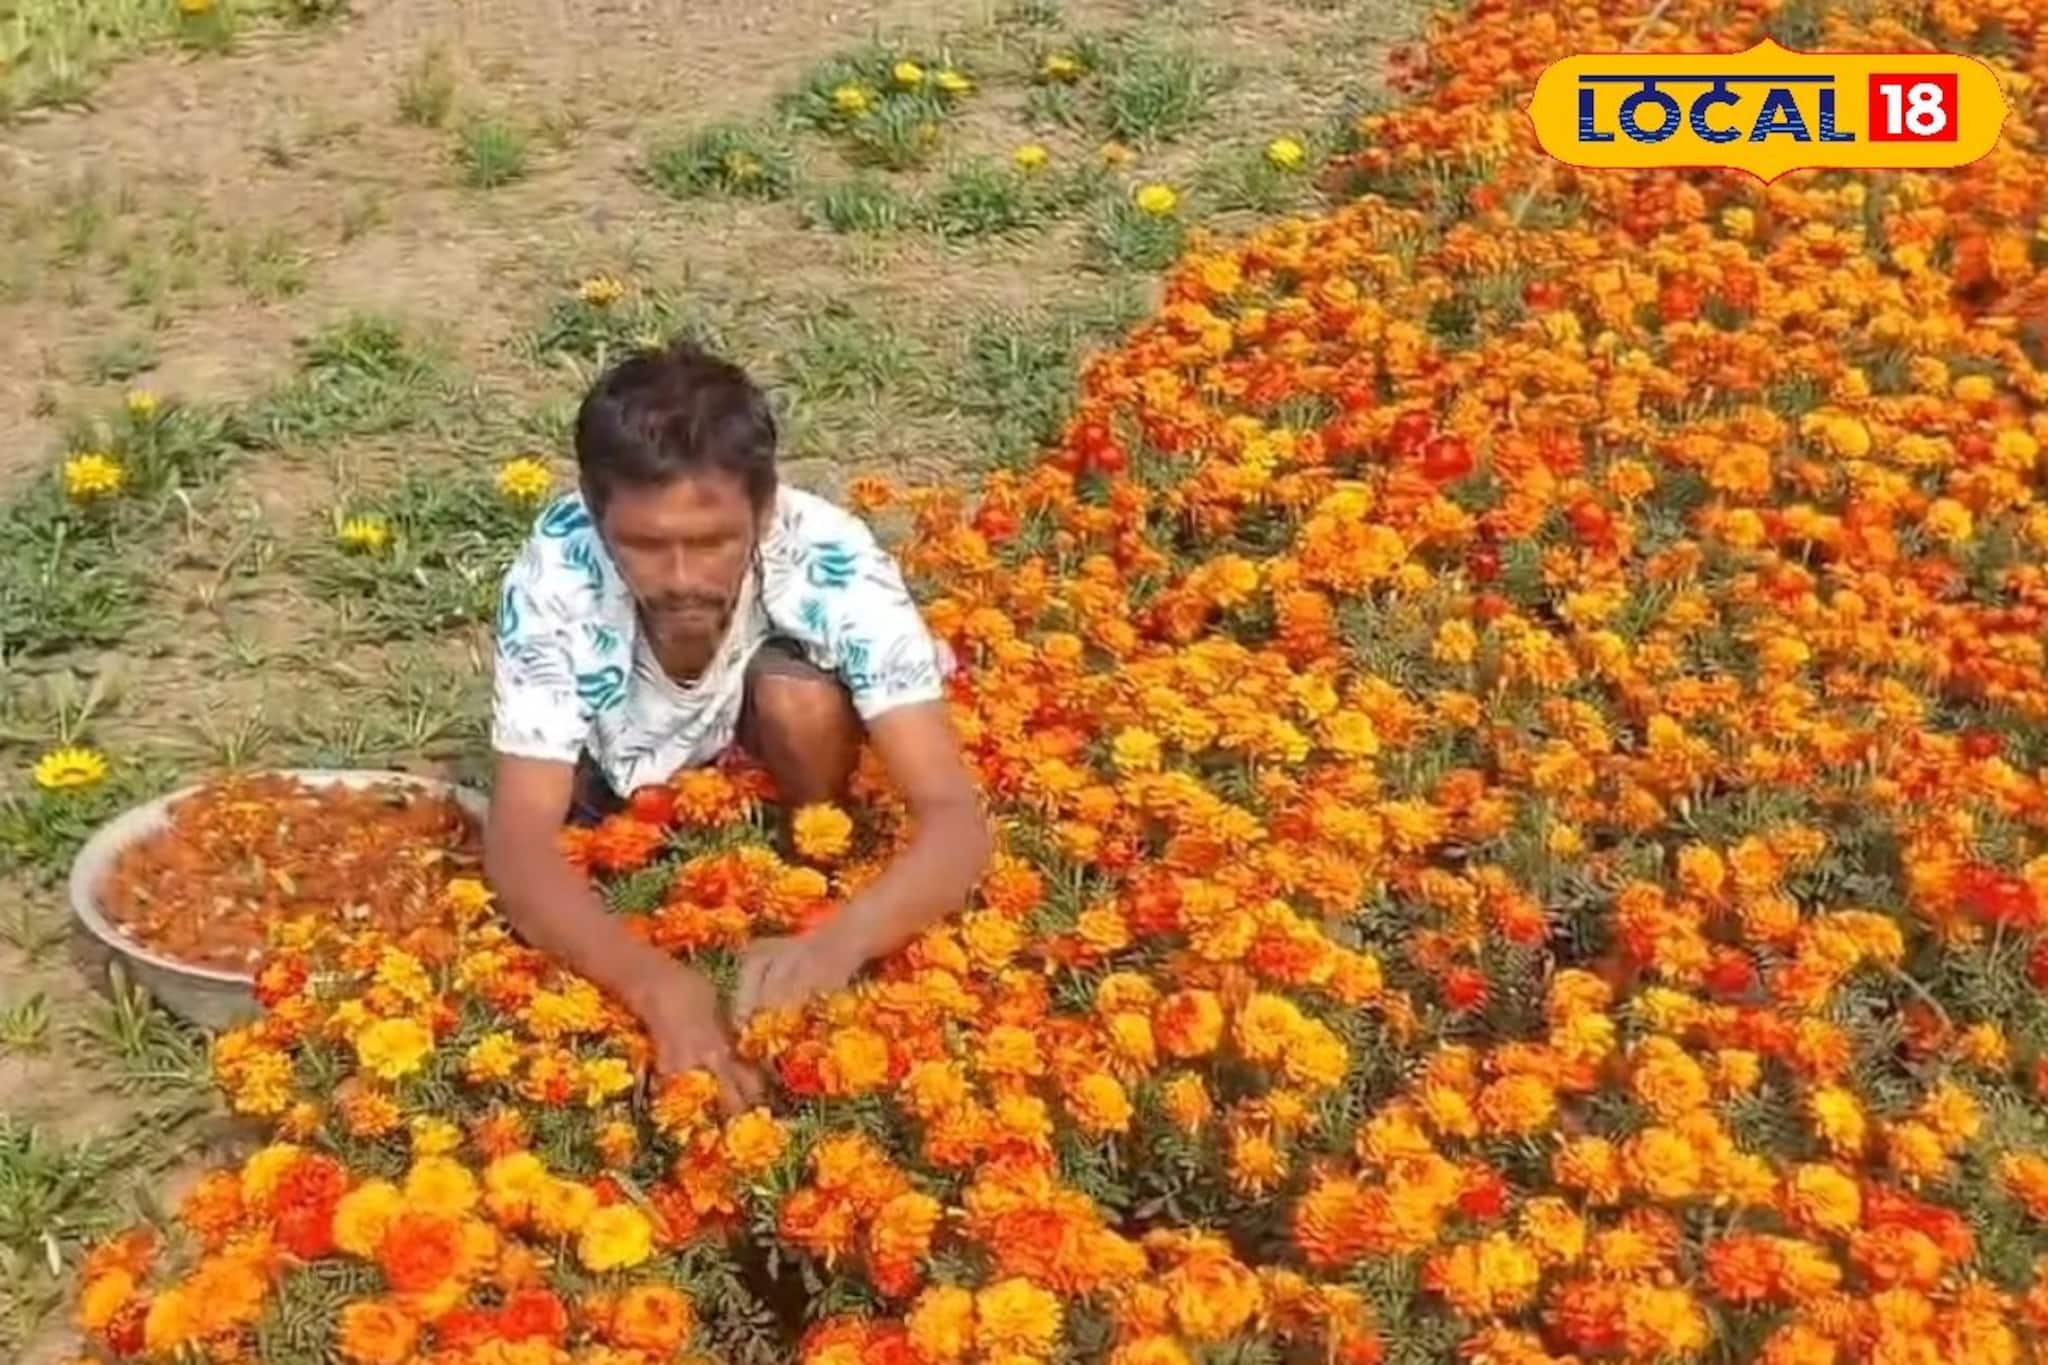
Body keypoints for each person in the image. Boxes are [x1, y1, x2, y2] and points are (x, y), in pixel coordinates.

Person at [482, 339, 990, 1114]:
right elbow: (518, 838)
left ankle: (807, 848)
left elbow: (955, 818)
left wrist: (839, 939)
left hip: (762, 739)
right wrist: (654, 984)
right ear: (595, 513)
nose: (682, 578)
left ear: (765, 508)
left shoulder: (828, 557)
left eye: (713, 541)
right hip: (618, 775)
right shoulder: (560, 573)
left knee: (801, 702)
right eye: (646, 546)